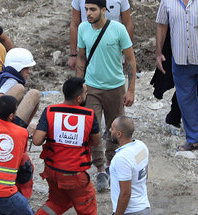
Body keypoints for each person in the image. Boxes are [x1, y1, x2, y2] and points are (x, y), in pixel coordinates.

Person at [75, 0, 137, 192]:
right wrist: (80, 87)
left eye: (92, 10)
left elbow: (130, 58)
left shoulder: (118, 29)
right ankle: (100, 169)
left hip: (116, 87)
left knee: (114, 128)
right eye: (86, 10)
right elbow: (81, 57)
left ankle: (110, 165)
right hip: (92, 87)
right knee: (92, 127)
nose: (88, 13)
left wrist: (131, 89)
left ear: (104, 10)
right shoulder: (83, 28)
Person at [32, 77, 100, 215]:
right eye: (86, 92)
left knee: (57, 203)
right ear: (79, 98)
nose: (86, 94)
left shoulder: (50, 111)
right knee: (87, 208)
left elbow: (37, 140)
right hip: (74, 174)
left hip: (52, 171)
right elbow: (96, 142)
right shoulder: (89, 116)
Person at [156, 0, 198, 151]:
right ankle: (194, 139)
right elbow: (162, 25)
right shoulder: (167, 2)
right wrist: (159, 52)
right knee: (185, 100)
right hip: (181, 59)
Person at [68, 0, 134, 70]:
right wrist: (73, 54)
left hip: (112, 50)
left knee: (113, 76)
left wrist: (128, 54)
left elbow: (127, 23)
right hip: (88, 49)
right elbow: (75, 24)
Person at [0, 48, 40, 128]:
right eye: (26, 68)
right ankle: (20, 131)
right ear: (18, 67)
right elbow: (0, 103)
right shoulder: (12, 81)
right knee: (34, 94)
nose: (29, 72)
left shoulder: (0, 77)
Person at [109, 116, 151, 215]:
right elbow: (145, 174)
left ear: (119, 134)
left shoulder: (122, 158)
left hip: (130, 211)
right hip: (144, 207)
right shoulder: (141, 146)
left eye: (112, 128)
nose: (110, 130)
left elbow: (125, 193)